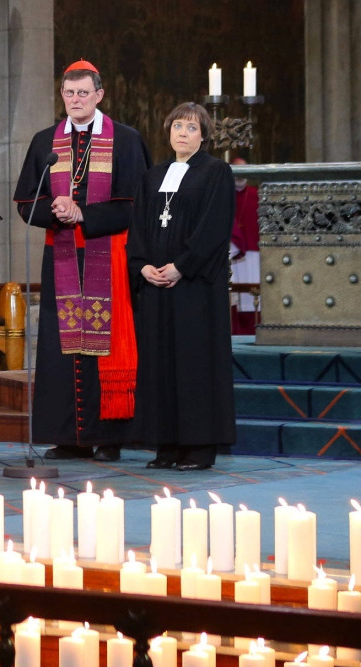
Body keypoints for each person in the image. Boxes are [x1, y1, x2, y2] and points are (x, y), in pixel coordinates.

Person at [12, 59, 151, 463]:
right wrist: (55, 211)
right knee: (62, 349)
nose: (75, 100)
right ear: (62, 96)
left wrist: (84, 214)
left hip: (107, 255)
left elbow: (135, 205)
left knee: (102, 349)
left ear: (99, 95)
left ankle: (109, 438)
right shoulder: (44, 142)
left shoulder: (125, 140)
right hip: (61, 258)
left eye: (83, 93)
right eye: (69, 93)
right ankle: (67, 436)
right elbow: (25, 201)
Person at [128, 103, 236, 471]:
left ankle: (199, 447)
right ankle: (167, 445)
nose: (182, 133)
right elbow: (139, 225)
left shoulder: (216, 172)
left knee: (194, 365)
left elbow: (214, 228)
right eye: (177, 126)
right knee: (160, 365)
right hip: (157, 286)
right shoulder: (153, 175)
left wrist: (181, 266)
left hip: (195, 289)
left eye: (191, 128)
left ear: (204, 135)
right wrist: (142, 266)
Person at [229, 157, 261, 335]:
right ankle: (235, 331)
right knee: (234, 297)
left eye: (243, 171)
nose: (240, 176)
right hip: (231, 252)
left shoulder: (258, 195)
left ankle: (254, 329)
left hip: (254, 255)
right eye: (236, 171)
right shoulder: (223, 195)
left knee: (252, 295)